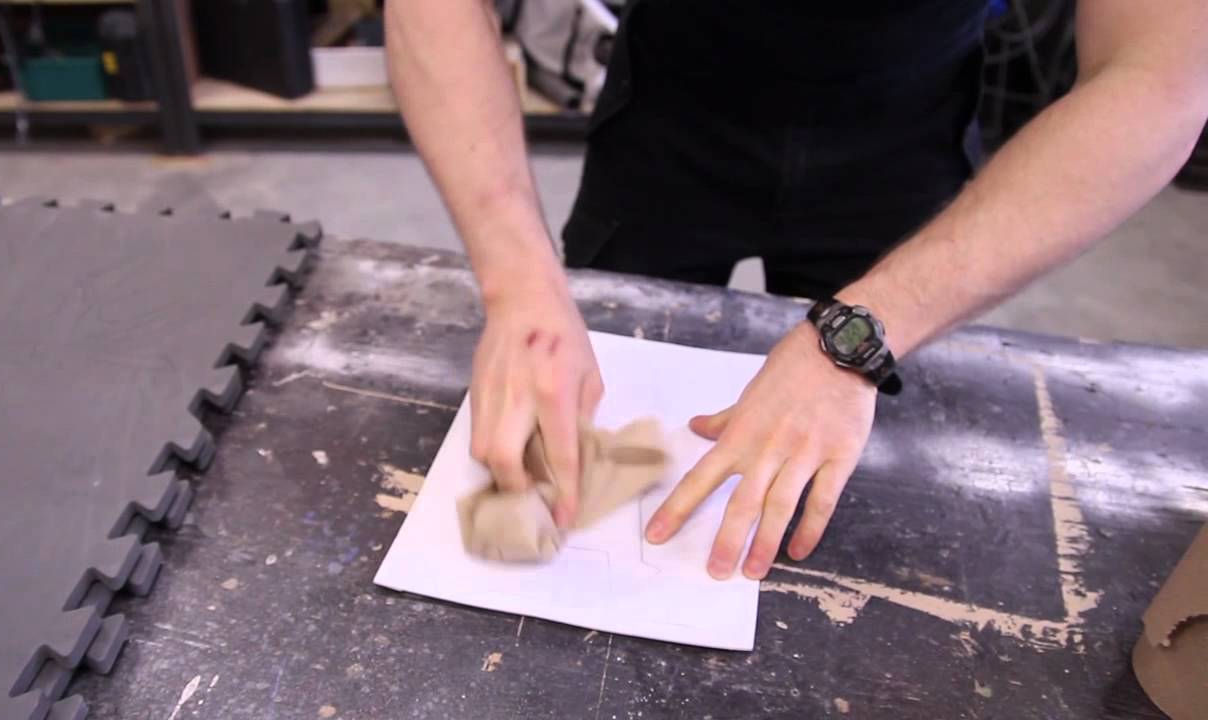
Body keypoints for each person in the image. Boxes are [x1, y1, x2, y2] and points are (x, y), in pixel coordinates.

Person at [385, 0, 1208, 580]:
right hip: (670, 110)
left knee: (852, 490)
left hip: (903, 130)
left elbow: (1163, 74)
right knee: (594, 393)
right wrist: (518, 283)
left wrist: (866, 332)